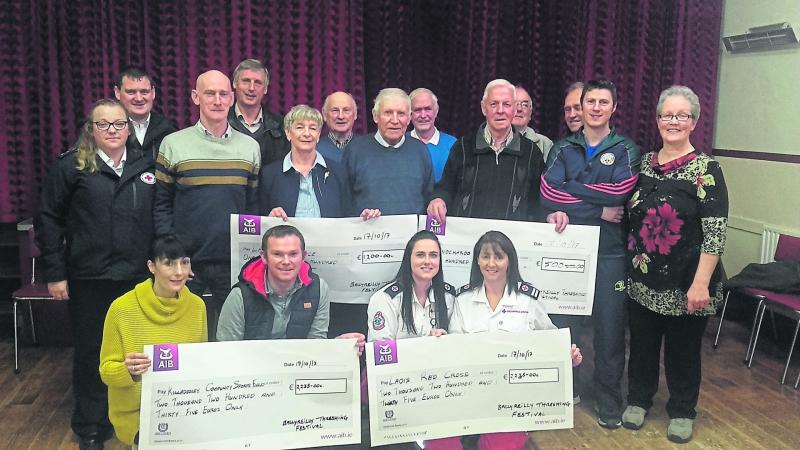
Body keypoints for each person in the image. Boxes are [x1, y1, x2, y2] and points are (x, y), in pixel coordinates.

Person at [35, 99, 155, 450]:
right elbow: (48, 219)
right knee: (92, 352)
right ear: (91, 129)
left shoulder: (145, 165)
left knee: (135, 352)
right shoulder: (71, 167)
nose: (112, 130)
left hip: (135, 276)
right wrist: (55, 273)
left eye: (119, 124)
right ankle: (90, 426)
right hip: (89, 277)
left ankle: (136, 420)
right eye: (103, 124)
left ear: (129, 129)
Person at [622, 86, 728, 444]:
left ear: (694, 122)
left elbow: (715, 233)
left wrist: (701, 283)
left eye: (682, 115)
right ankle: (638, 400)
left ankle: (682, 410)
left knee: (683, 352)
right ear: (657, 120)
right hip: (642, 278)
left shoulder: (707, 169)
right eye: (667, 115)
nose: (673, 121)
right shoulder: (642, 164)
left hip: (688, 282)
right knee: (642, 346)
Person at [540, 78, 640, 429]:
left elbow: (620, 192)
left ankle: (608, 398)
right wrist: (597, 209)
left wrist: (572, 188)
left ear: (614, 108)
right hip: (567, 250)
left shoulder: (626, 149)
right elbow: (548, 193)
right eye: (590, 102)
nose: (596, 108)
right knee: (563, 326)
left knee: (609, 331)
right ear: (580, 107)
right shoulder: (563, 148)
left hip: (609, 254)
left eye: (603, 102)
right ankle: (564, 391)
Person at [443, 231, 582, 450]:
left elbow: (551, 342)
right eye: (485, 256)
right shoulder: (463, 300)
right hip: (471, 395)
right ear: (477, 260)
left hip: (512, 400)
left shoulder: (527, 301)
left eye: (498, 256)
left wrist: (568, 357)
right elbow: (453, 350)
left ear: (510, 261)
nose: (491, 263)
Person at [154, 69, 260, 341]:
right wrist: (175, 257)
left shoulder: (250, 147)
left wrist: (247, 259)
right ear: (195, 97)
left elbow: (252, 207)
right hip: (186, 263)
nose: (217, 100)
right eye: (210, 93)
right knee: (181, 336)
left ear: (232, 98)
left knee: (230, 339)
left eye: (223, 94)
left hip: (233, 264)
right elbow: (162, 204)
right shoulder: (173, 144)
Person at [259, 105, 380, 339]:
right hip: (287, 267)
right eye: (300, 127)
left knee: (332, 325)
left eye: (313, 128)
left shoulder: (338, 172)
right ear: (288, 133)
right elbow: (258, 217)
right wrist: (268, 216)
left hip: (333, 268)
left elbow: (348, 213)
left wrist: (364, 217)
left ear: (318, 134)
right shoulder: (270, 174)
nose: (307, 133)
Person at [99, 235, 207, 448]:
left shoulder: (197, 306)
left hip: (186, 410)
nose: (179, 272)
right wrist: (128, 371)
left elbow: (200, 364)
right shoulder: (121, 309)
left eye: (185, 262)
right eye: (169, 263)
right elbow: (106, 371)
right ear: (151, 266)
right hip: (139, 416)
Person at [216, 225, 365, 352]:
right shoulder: (239, 296)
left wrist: (337, 346)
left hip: (298, 368)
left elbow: (316, 345)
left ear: (303, 256)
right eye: (277, 254)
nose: (286, 261)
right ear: (264, 257)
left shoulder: (319, 288)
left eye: (293, 254)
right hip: (252, 370)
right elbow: (226, 352)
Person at [427, 79, 544, 224]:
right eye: (494, 104)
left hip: (513, 236)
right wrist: (438, 199)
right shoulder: (463, 147)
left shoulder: (532, 152)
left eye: (506, 104)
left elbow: (539, 202)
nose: (500, 110)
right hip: (468, 235)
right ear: (483, 108)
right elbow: (445, 187)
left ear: (514, 109)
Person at [342, 88, 434, 215]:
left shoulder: (420, 151)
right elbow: (344, 201)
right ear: (375, 116)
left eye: (401, 114)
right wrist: (359, 217)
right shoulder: (355, 151)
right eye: (388, 113)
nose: (395, 120)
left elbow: (430, 199)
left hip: (411, 228)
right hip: (367, 227)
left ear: (409, 118)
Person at [367, 230, 455, 341]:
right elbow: (380, 348)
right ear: (409, 258)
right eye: (420, 255)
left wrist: (443, 340)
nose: (427, 261)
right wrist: (425, 345)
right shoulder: (385, 299)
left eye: (433, 255)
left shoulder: (448, 296)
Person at [228, 58, 290, 166]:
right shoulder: (221, 124)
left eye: (258, 83)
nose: (251, 88)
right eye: (246, 81)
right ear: (234, 84)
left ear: (265, 89)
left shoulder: (282, 127)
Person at [113, 65, 177, 161]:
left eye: (144, 92)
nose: (139, 98)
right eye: (131, 92)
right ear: (117, 92)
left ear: (153, 93)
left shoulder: (168, 130)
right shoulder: (107, 130)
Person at [408, 88, 457, 182]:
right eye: (417, 110)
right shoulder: (400, 143)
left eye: (428, 109)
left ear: (436, 111)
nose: (423, 115)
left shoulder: (453, 145)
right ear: (410, 114)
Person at [512, 84, 554, 163]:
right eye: (514, 103)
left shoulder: (545, 144)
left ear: (530, 113)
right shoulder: (492, 141)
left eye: (524, 105)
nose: (519, 109)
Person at [317, 91, 359, 163]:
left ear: (355, 114)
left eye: (346, 110)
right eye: (335, 110)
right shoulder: (314, 150)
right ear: (324, 115)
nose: (341, 116)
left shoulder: (366, 148)